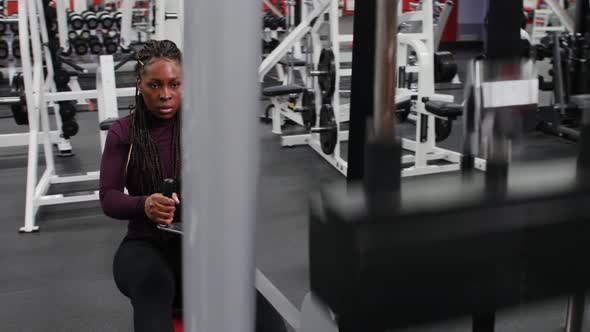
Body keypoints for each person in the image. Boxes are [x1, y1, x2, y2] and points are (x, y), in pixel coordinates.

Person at [99, 40, 287, 332]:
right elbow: (108, 198)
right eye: (155, 85)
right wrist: (144, 204)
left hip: (203, 248)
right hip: (145, 246)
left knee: (270, 324)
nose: (166, 95)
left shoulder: (205, 128)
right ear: (139, 84)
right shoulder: (123, 132)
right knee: (154, 287)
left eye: (175, 84)